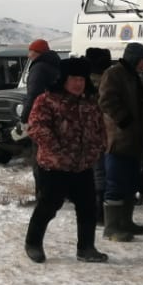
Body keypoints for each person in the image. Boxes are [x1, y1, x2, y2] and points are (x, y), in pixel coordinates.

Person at [24, 57, 108, 264]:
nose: (78, 83)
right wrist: (56, 148)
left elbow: (99, 129)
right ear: (63, 79)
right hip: (55, 165)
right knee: (48, 206)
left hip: (82, 165)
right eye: (74, 79)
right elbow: (36, 127)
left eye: (81, 79)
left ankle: (86, 248)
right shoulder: (47, 101)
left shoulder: (89, 102)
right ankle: (33, 243)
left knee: (88, 207)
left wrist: (97, 148)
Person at [98, 42, 143, 241]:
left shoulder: (133, 75)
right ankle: (111, 227)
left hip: (134, 140)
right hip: (119, 140)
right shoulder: (114, 74)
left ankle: (126, 222)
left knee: (130, 183)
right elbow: (106, 100)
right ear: (135, 58)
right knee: (115, 183)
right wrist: (124, 119)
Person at [23, 38, 62, 199]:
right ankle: (57, 191)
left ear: (37, 52)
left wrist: (25, 116)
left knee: (39, 157)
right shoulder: (55, 66)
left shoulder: (38, 68)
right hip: (56, 117)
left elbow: (33, 94)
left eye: (30, 51)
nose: (28, 54)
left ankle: (43, 194)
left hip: (41, 117)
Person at [84, 47, 112, 223]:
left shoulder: (84, 82)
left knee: (93, 172)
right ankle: (100, 212)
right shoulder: (106, 81)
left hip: (87, 134)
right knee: (100, 172)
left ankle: (94, 211)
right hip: (102, 132)